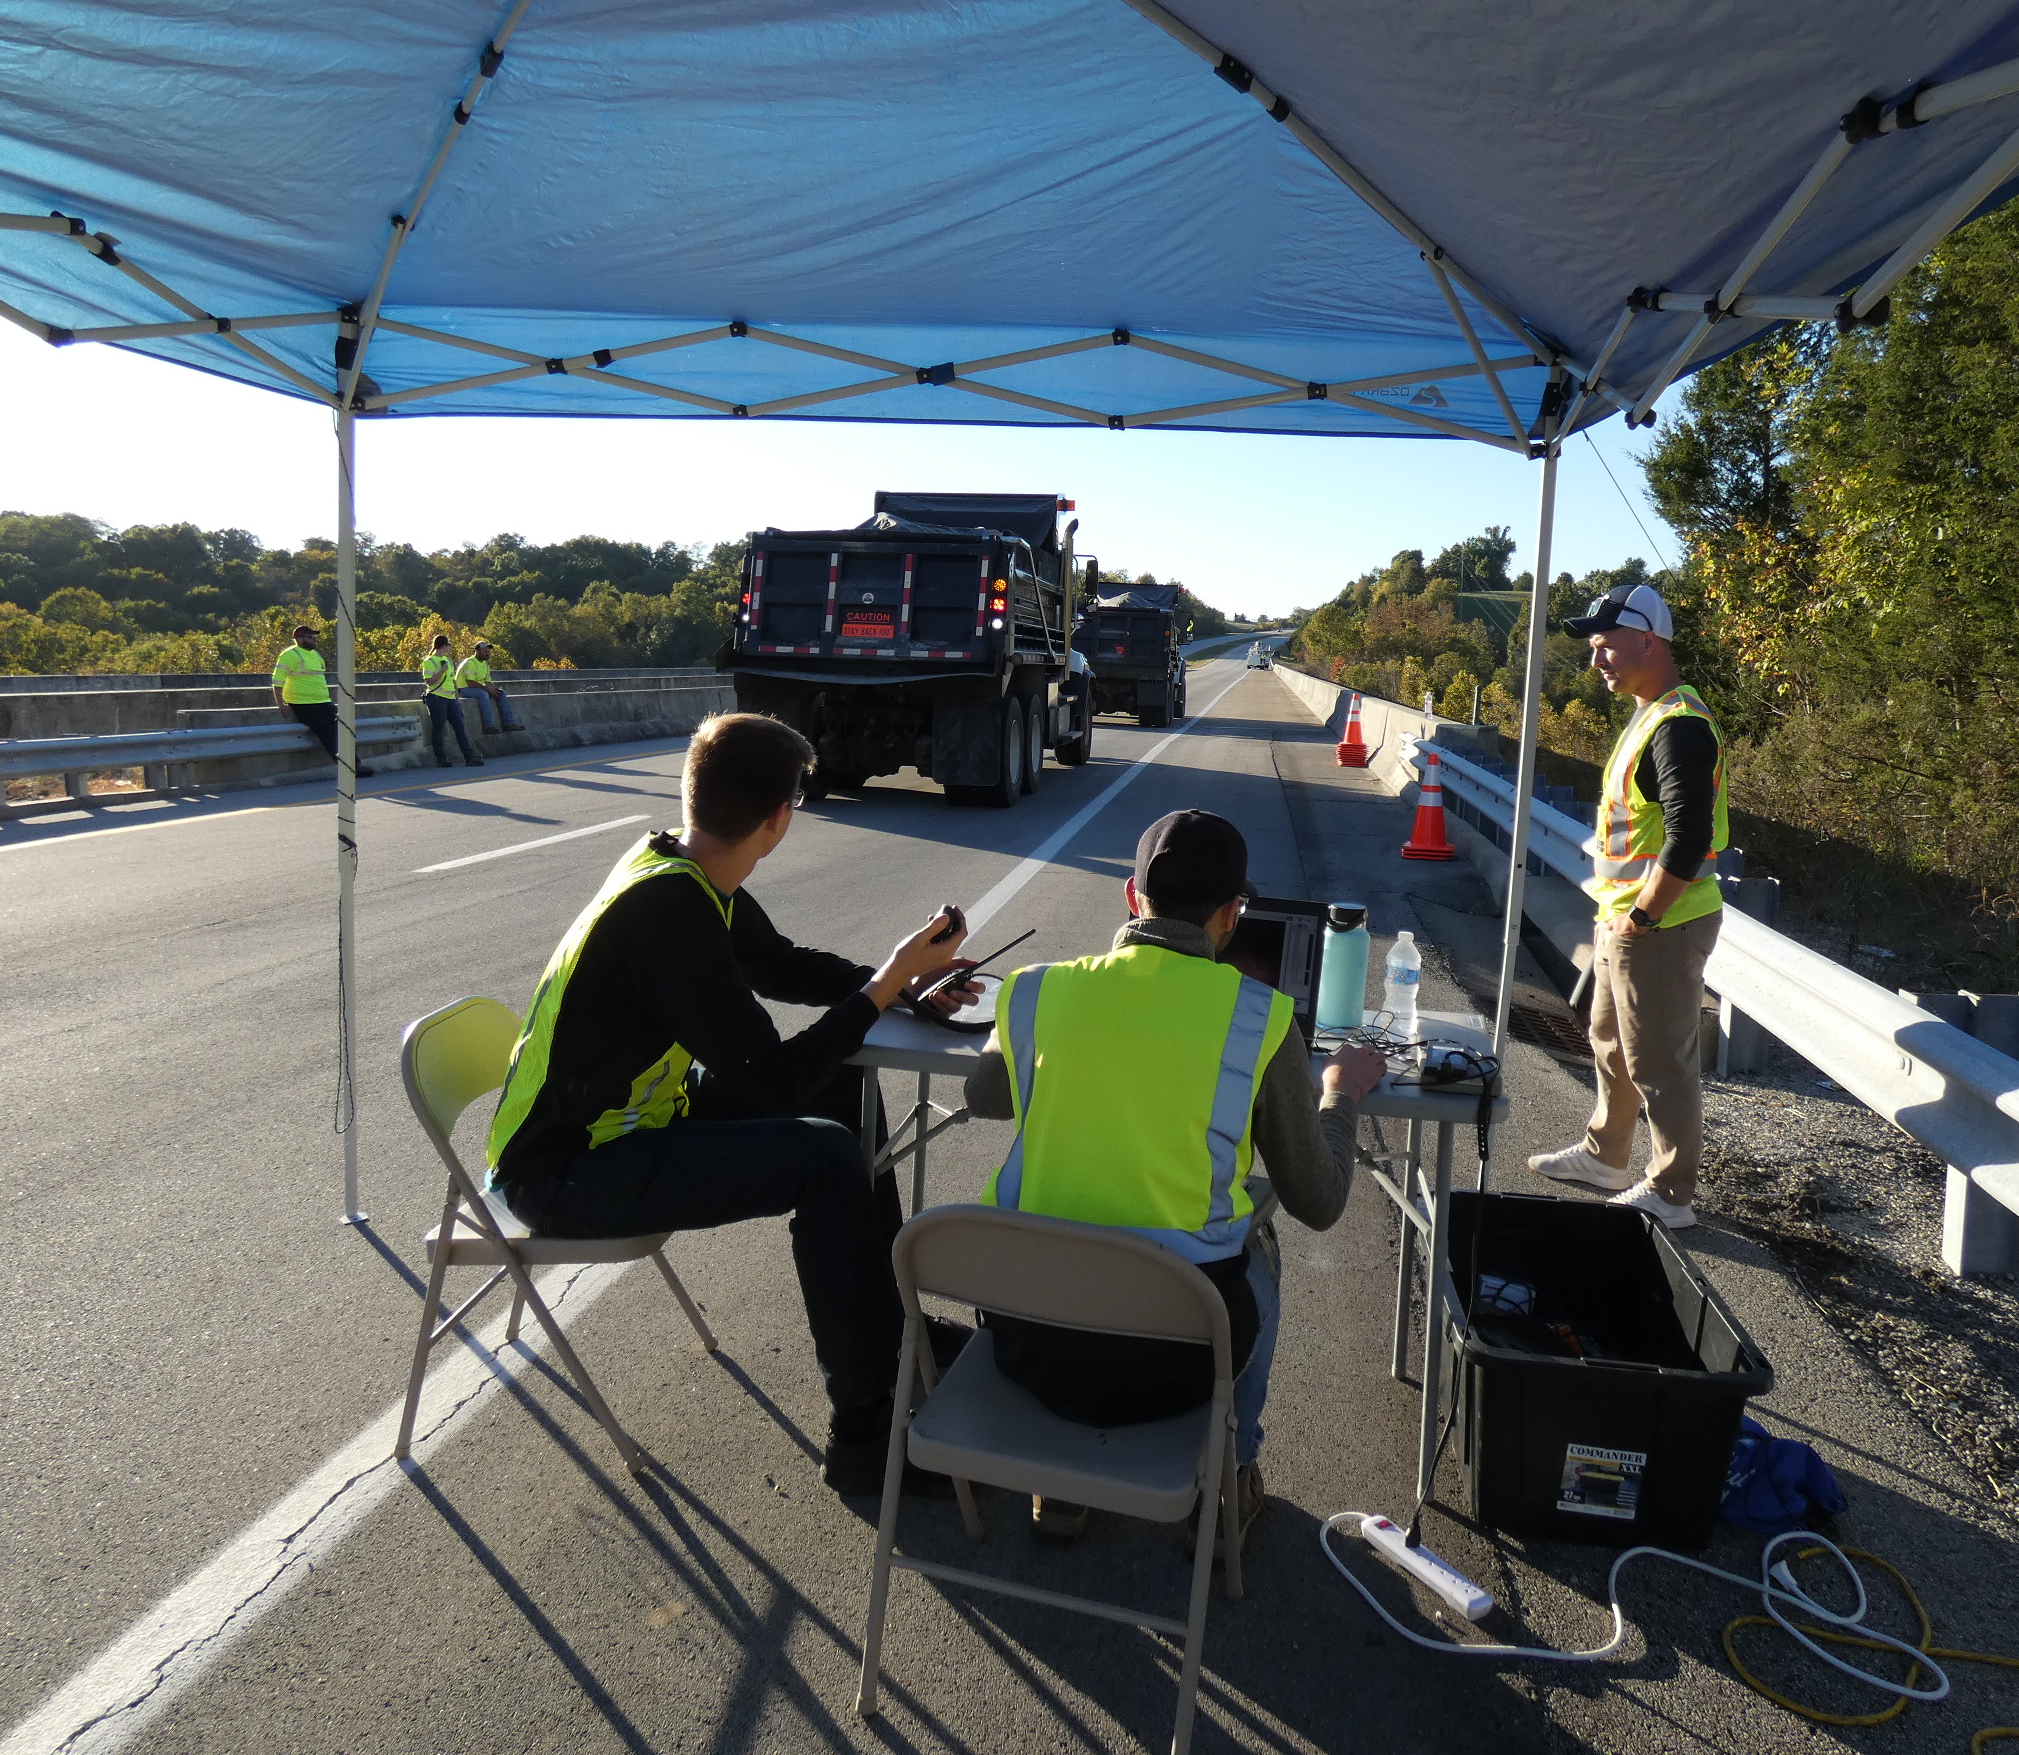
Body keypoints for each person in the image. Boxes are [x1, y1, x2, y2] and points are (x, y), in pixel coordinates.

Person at [484, 712, 981, 1492]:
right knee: (818, 1156)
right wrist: (884, 985)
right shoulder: (669, 911)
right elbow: (772, 1082)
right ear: (780, 821)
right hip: (567, 1171)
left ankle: (887, 1328)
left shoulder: (679, 866)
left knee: (844, 1081)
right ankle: (864, 1432)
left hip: (630, 1124)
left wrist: (906, 986)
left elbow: (776, 963)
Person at [963, 808, 1388, 1544]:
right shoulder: (1261, 1019)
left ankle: (1061, 1481)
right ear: (1232, 914)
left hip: (1026, 1341)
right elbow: (1318, 1201)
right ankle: (1230, 1478)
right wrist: (1340, 1094)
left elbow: (983, 1097)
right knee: (1260, 1241)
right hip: (1175, 1363)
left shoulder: (1038, 991)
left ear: (1132, 897)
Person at [1526, 583, 1728, 1230]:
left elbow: (1690, 838)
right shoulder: (1652, 714)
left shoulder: (1679, 726)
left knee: (1659, 1062)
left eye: (1604, 647)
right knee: (1611, 1043)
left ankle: (1672, 1194)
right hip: (1631, 919)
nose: (1596, 662)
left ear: (1648, 640)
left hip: (1661, 923)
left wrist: (1641, 917)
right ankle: (1606, 1156)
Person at [270, 622, 374, 778]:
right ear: (298, 639)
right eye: (310, 637)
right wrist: (281, 704)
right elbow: (278, 681)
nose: (314, 639)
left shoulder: (315, 655)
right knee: (329, 734)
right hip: (303, 704)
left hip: (323, 701)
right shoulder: (290, 655)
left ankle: (355, 765)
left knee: (343, 731)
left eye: (314, 637)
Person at [419, 634, 483, 768]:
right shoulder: (429, 661)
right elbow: (429, 681)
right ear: (443, 645)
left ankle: (469, 758)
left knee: (460, 728)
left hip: (451, 699)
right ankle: (441, 759)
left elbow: (453, 681)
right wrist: (441, 671)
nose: (449, 648)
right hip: (436, 698)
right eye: (449, 645)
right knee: (439, 729)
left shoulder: (448, 661)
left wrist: (457, 699)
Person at [456, 639, 524, 736]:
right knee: (483, 694)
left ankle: (509, 724)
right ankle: (489, 726)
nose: (487, 653)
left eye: (488, 651)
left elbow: (488, 682)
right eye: (485, 651)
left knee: (501, 693)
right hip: (463, 689)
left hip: (477, 688)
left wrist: (493, 690)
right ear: (477, 651)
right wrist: (488, 690)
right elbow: (470, 682)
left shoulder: (485, 665)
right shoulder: (470, 662)